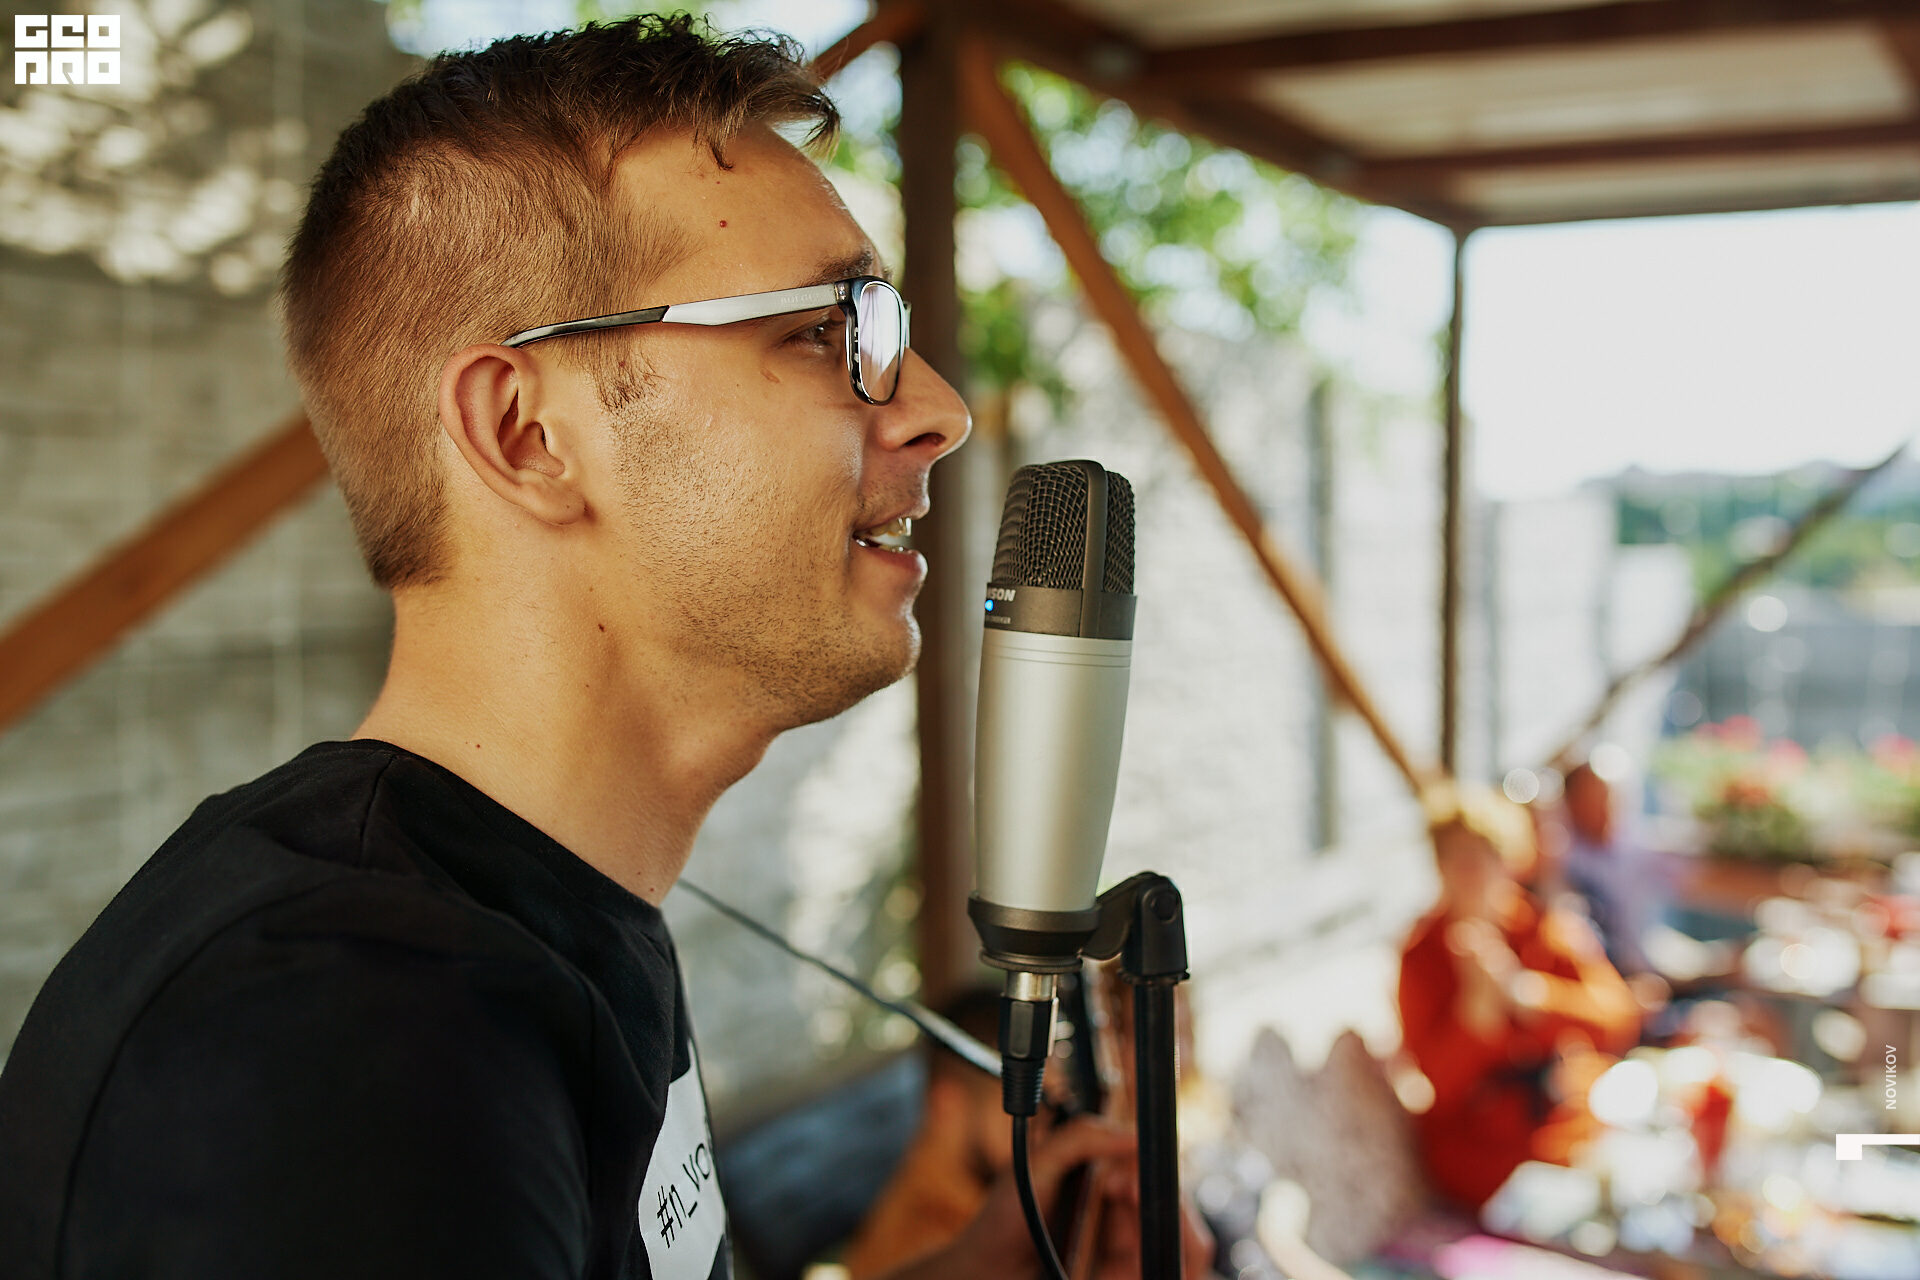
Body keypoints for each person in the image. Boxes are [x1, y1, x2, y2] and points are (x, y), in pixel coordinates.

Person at [0, 18, 1188, 1279]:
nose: (939, 409)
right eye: (826, 328)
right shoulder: (343, 1047)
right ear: (526, 434)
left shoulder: (536, 922)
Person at [1397, 787, 1641, 1210]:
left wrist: (1532, 995)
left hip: (1563, 1125)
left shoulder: (1541, 927)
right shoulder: (1420, 956)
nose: (1472, 872)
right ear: (1439, 865)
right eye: (1457, 858)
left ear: (1507, 862)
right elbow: (1437, 1084)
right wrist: (1476, 1015)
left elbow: (1619, 1018)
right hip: (1482, 1155)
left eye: (1484, 857)